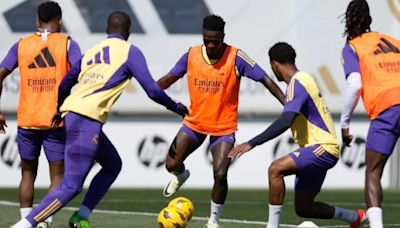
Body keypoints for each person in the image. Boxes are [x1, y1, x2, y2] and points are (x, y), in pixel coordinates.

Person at [11, 11, 188, 228]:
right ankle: (25, 225)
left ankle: (81, 216)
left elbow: (65, 83)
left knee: (112, 164)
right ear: (129, 33)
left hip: (72, 116)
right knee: (71, 186)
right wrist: (177, 107)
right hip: (86, 120)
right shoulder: (129, 52)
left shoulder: (92, 51)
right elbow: (152, 90)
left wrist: (59, 109)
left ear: (107, 31)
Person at [157, 15, 285, 228]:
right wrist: (149, 87)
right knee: (171, 164)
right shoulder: (191, 55)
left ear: (223, 37)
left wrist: (286, 102)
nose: (210, 45)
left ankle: (214, 220)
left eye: (215, 41)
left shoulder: (236, 57)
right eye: (206, 40)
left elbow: (265, 78)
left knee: (220, 172)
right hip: (194, 124)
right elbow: (169, 78)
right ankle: (181, 175)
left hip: (223, 128)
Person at [228, 42, 366, 228]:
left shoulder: (297, 82)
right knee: (304, 209)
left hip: (323, 148)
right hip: (317, 149)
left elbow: (286, 120)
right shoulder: (301, 81)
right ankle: (354, 217)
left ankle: (272, 226)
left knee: (275, 169)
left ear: (274, 64)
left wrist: (252, 143)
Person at [0, 1, 81, 227]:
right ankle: (45, 221)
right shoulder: (67, 44)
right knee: (57, 175)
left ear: (37, 22)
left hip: (27, 120)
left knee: (27, 173)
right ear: (60, 22)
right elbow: (82, 73)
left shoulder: (21, 45)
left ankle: (26, 221)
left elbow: (0, 73)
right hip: (55, 121)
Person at [340, 0, 400, 227]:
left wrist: (344, 124)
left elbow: (355, 85)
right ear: (370, 19)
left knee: (373, 171)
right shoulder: (394, 42)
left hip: (386, 108)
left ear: (348, 20)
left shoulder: (353, 47)